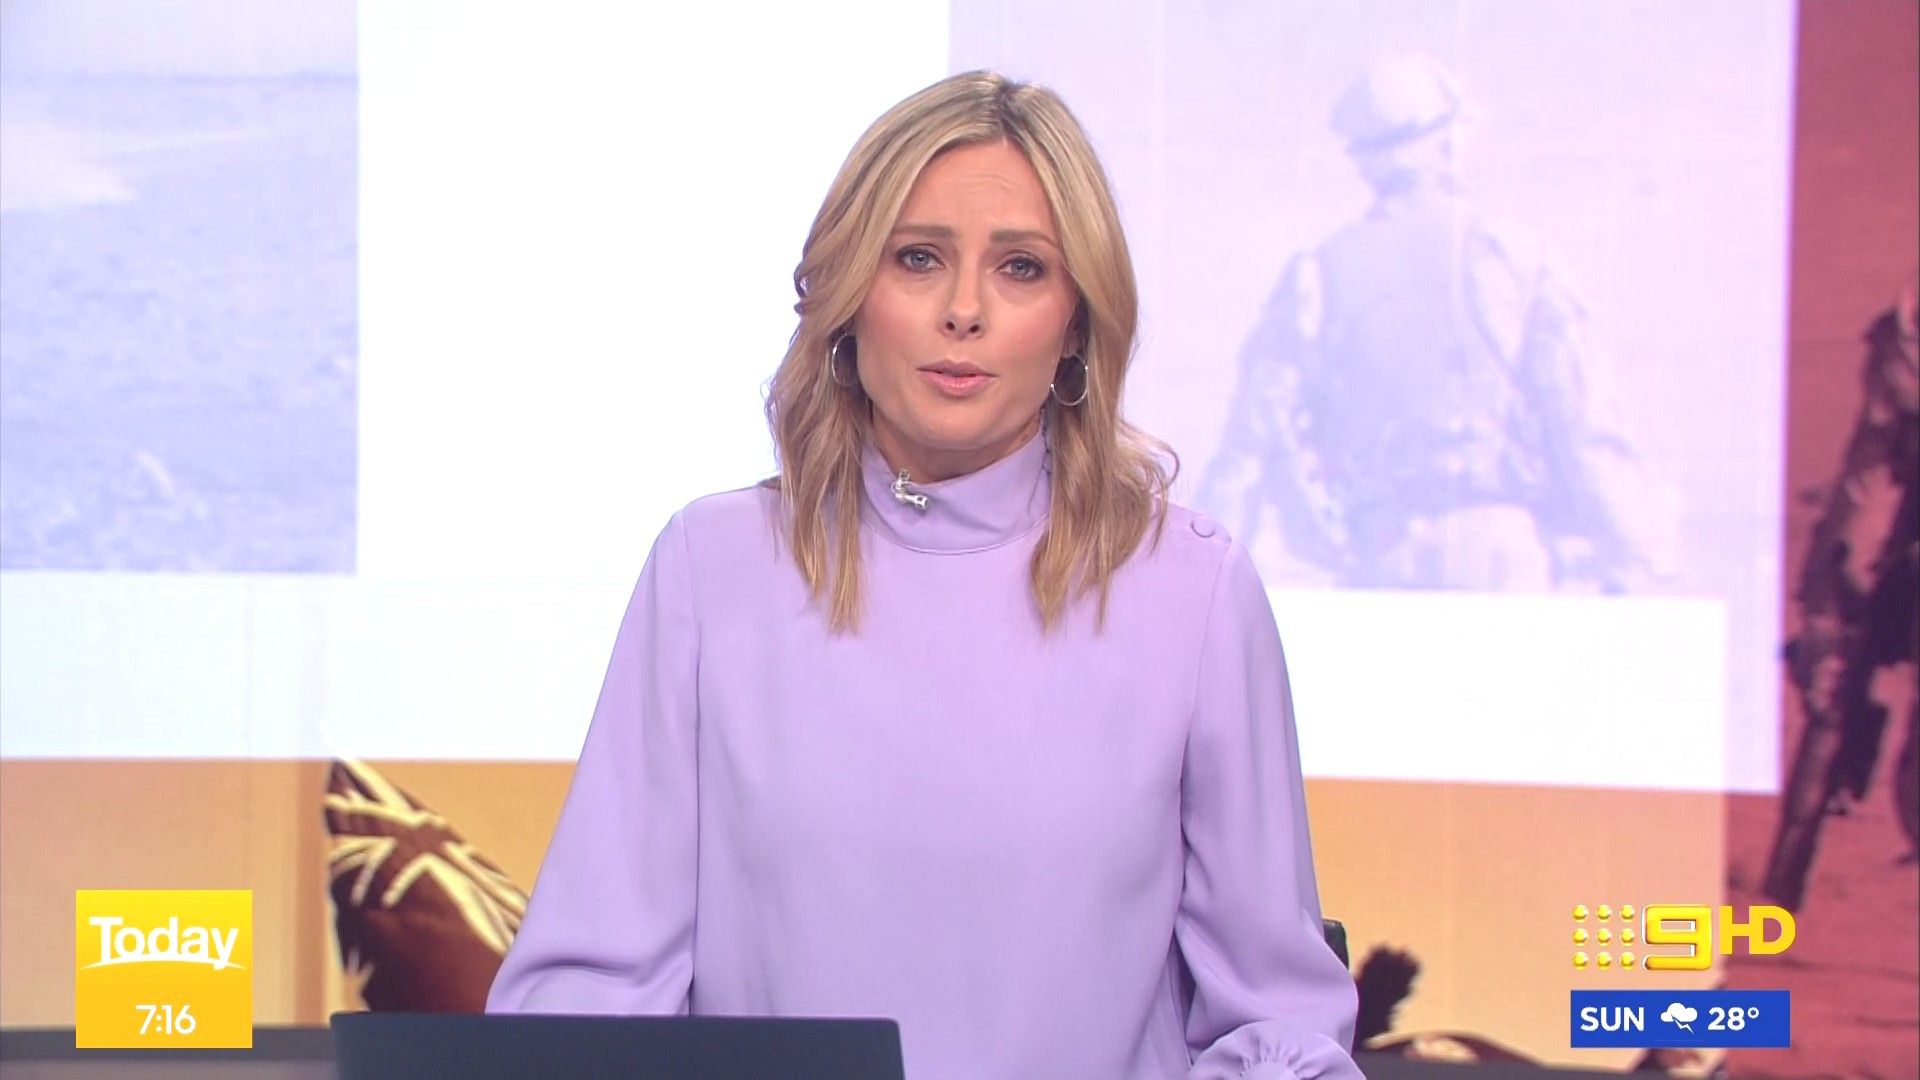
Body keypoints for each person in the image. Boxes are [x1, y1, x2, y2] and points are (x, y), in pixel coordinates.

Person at [486, 71, 1360, 1080]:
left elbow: (1276, 1021)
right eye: (918, 258)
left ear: (1078, 323)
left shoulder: (1190, 590)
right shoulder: (711, 568)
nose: (964, 310)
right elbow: (589, 998)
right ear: (848, 296)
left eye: (1021, 267)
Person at [1199, 54, 1675, 592]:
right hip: (1503, 563)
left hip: (1381, 562)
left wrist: (1199, 586)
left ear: (1364, 160)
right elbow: (1585, 429)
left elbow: (1248, 450)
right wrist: (1643, 558)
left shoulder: (1317, 277)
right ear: (1448, 140)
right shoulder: (1514, 261)